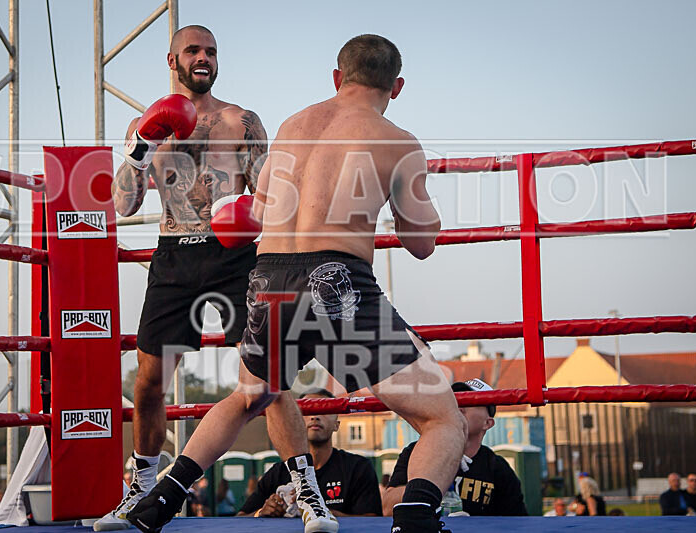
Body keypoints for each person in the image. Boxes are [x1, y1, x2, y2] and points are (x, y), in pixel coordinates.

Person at [128, 33, 467, 533]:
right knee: (443, 418)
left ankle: (160, 499)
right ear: (395, 87)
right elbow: (421, 243)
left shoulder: (292, 125)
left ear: (337, 77)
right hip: (336, 279)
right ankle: (415, 519)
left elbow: (257, 216)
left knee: (251, 396)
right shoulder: (396, 139)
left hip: (269, 278)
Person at [95, 24, 305, 531]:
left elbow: (276, 201)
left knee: (267, 379)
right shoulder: (142, 123)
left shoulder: (242, 121)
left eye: (211, 50)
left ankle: (304, 490)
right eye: (193, 50)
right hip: (173, 254)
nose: (204, 58)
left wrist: (246, 210)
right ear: (173, 59)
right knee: (147, 382)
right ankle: (142, 487)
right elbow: (122, 204)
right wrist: (142, 145)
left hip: (236, 256)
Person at [384, 379, 527, 516]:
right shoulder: (416, 451)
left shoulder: (498, 469)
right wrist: (432, 479)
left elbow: (517, 523)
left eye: (473, 400)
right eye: (454, 398)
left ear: (488, 423)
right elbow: (388, 508)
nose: (460, 404)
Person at [238, 389, 382, 517]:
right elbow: (239, 519)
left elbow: (372, 521)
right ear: (295, 421)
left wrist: (321, 511)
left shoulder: (358, 468)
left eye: (325, 410)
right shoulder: (278, 472)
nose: (315, 416)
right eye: (308, 410)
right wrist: (262, 512)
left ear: (336, 425)